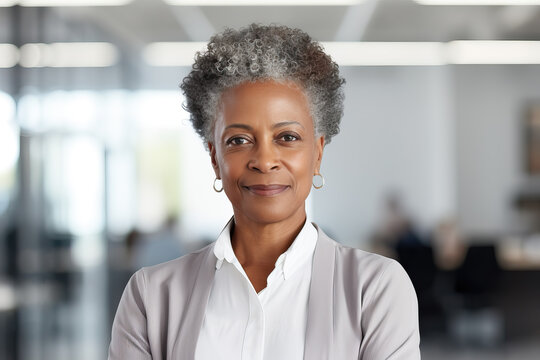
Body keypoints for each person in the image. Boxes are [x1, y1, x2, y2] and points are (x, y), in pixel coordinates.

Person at [108, 24, 420, 360]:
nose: (265, 160)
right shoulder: (152, 296)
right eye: (239, 140)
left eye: (287, 137)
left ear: (317, 154)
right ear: (215, 158)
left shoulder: (375, 290)